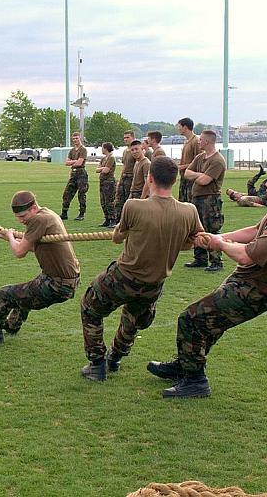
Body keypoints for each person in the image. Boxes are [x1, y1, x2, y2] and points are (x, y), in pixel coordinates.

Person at [150, 164, 267, 398]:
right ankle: (185, 366)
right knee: (209, 322)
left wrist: (220, 244)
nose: (265, 186)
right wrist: (219, 236)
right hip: (247, 280)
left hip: (257, 290)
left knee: (191, 318)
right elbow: (255, 230)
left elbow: (246, 256)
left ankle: (195, 381)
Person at [80, 157, 203, 381]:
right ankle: (115, 358)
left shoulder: (134, 205)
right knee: (133, 320)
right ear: (175, 180)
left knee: (90, 307)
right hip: (153, 285)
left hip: (123, 278)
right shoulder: (189, 211)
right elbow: (193, 242)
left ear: (150, 178)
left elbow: (117, 238)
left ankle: (97, 364)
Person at [0, 191, 80, 343]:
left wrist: (9, 235)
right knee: (23, 293)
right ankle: (13, 325)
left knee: (1, 295)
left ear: (33, 208)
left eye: (22, 216)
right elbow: (33, 247)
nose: (21, 221)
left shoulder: (39, 219)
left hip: (57, 284)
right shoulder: (48, 214)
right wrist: (4, 236)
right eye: (17, 217)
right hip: (64, 280)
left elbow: (20, 252)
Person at [184, 129, 226, 272]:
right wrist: (200, 174)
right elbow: (186, 173)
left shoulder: (218, 160)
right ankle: (200, 258)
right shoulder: (200, 157)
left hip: (210, 200)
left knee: (211, 229)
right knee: (197, 228)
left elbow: (204, 181)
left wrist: (197, 176)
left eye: (201, 139)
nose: (198, 142)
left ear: (207, 141)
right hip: (197, 198)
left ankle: (216, 261)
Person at [60, 132, 88, 221]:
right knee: (67, 193)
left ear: (80, 138)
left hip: (81, 173)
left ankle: (81, 213)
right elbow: (66, 162)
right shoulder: (72, 150)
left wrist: (72, 162)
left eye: (77, 138)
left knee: (81, 194)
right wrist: (74, 161)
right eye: (74, 139)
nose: (75, 140)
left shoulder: (83, 150)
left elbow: (79, 163)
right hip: (73, 173)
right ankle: (64, 213)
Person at [113, 130, 137, 223]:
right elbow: (124, 166)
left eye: (127, 137)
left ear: (133, 138)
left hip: (131, 178)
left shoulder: (135, 151)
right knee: (119, 200)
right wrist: (120, 179)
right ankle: (119, 221)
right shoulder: (125, 151)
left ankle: (129, 221)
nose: (125, 139)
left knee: (129, 200)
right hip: (124, 177)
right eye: (124, 138)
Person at [177, 117, 200, 203]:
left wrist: (183, 167)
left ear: (185, 127)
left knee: (191, 204)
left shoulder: (196, 141)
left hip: (191, 179)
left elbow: (199, 161)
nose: (178, 129)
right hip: (184, 178)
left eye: (179, 126)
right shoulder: (186, 142)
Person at [97, 142, 117, 227]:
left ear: (106, 148)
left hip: (109, 182)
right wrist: (102, 168)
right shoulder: (103, 158)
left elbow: (106, 171)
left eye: (102, 148)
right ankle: (107, 219)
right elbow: (97, 169)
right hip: (102, 181)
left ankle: (113, 219)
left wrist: (101, 168)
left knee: (109, 201)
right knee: (103, 201)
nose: (101, 149)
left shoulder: (111, 158)